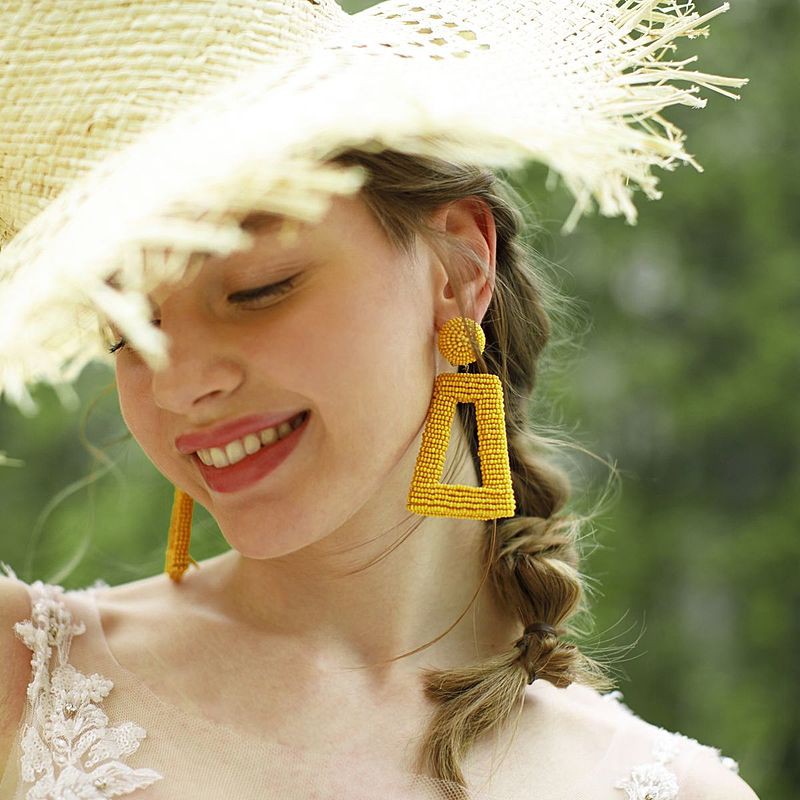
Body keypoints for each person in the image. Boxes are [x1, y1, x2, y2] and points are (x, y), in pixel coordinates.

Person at [0, 1, 758, 799]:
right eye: (128, 329)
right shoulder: (22, 680)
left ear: (458, 268)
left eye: (258, 289)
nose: (178, 385)